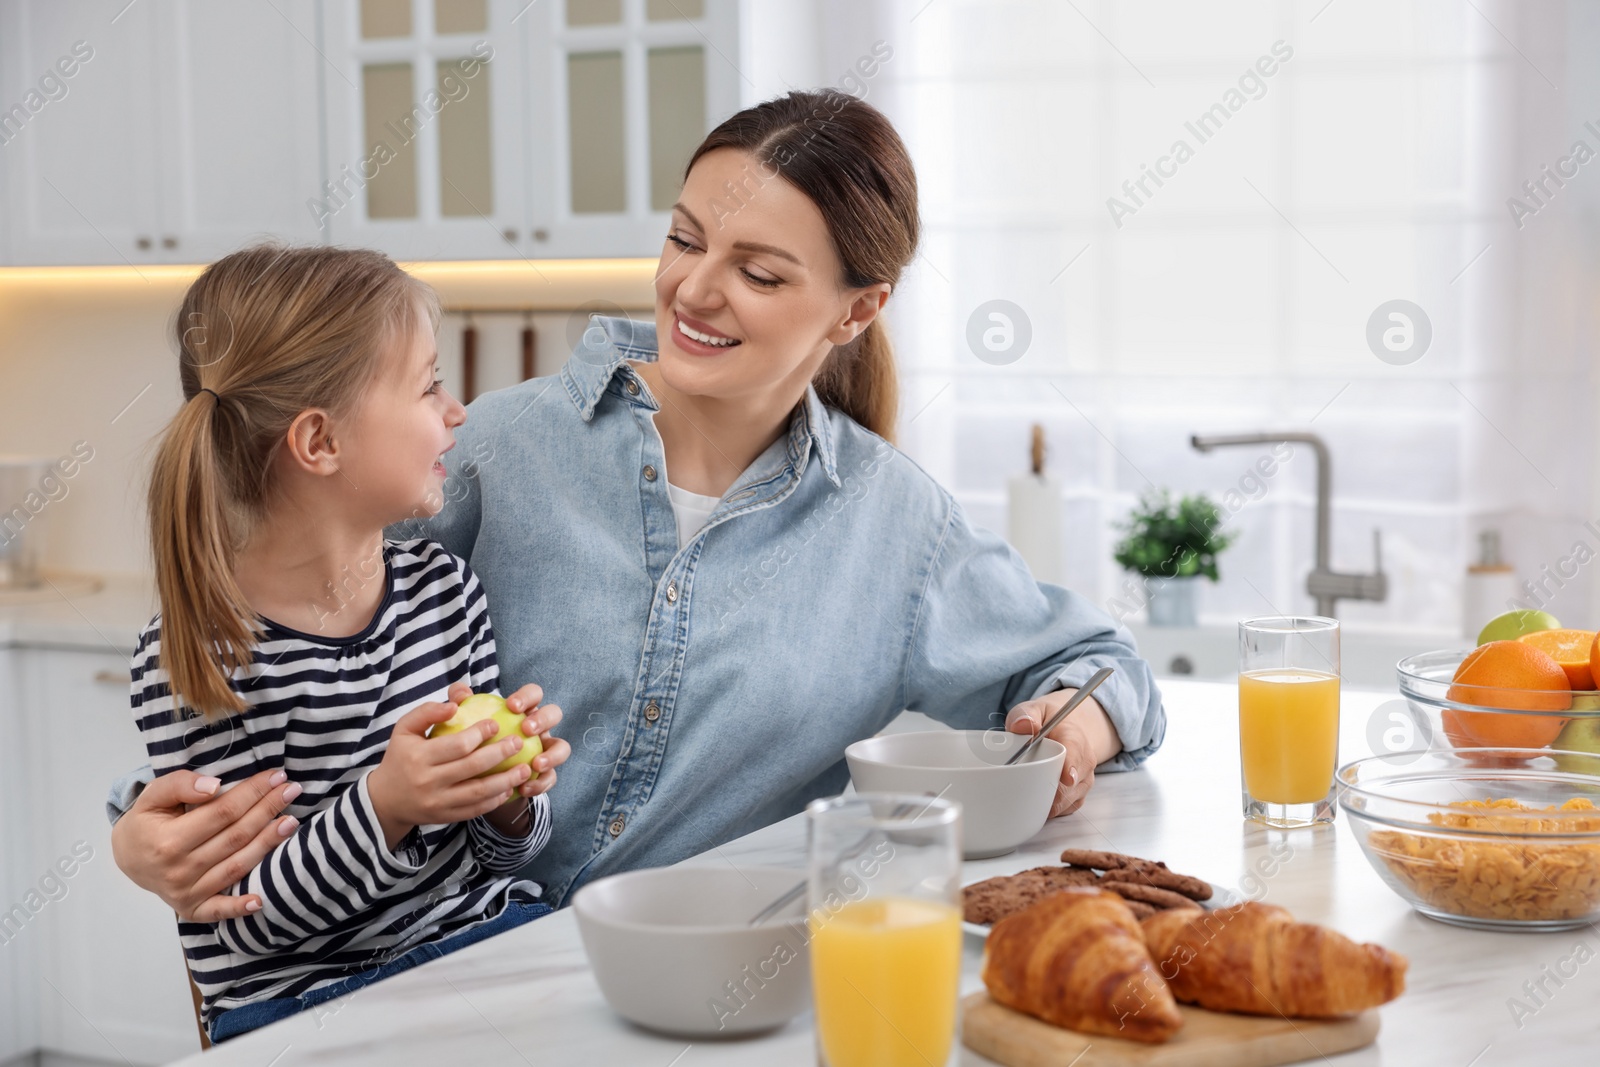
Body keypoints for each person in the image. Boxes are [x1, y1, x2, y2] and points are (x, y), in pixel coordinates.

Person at [109, 90, 1163, 923]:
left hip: (699, 1000)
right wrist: (137, 829)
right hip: (449, 978)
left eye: (755, 270)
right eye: (683, 238)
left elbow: (1105, 668)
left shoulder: (896, 527)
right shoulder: (487, 450)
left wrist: (1071, 732)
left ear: (858, 308)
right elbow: (268, 651)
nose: (695, 290)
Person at [127, 245, 569, 1041]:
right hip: (302, 1006)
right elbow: (246, 926)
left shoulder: (444, 590)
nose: (456, 409)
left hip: (477, 947)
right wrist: (387, 804)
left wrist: (508, 798)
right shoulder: (200, 656)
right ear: (319, 443)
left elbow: (506, 863)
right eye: (428, 383)